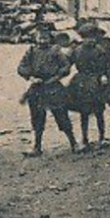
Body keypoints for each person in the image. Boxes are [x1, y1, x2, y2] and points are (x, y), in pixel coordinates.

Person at [17, 26, 79, 155]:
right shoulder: (31, 51)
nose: (42, 40)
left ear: (49, 38)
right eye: (40, 37)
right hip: (37, 87)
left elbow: (65, 66)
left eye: (45, 37)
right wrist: (31, 77)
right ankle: (37, 147)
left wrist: (56, 77)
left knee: (61, 115)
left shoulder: (55, 51)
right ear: (36, 38)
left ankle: (74, 143)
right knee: (37, 118)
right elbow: (22, 66)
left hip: (53, 87)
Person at [66, 23, 110, 149]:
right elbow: (66, 63)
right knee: (84, 111)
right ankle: (84, 138)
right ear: (82, 37)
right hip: (81, 82)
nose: (89, 40)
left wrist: (104, 75)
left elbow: (106, 65)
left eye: (92, 37)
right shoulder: (76, 50)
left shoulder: (99, 50)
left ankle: (102, 137)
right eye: (86, 37)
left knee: (99, 110)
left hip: (96, 80)